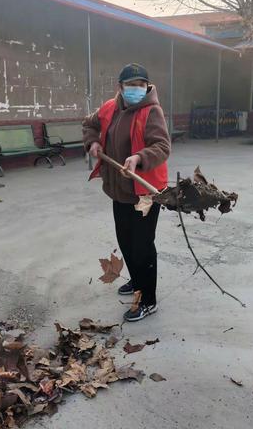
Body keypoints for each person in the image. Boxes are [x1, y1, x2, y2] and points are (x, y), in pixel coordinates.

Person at [83, 63, 171, 322]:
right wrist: (94, 141)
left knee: (142, 247)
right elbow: (89, 125)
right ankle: (136, 280)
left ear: (147, 86)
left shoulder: (151, 111)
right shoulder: (110, 107)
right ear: (120, 87)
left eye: (141, 85)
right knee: (125, 241)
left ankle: (148, 300)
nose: (136, 89)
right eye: (131, 85)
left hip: (145, 192)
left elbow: (162, 146)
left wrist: (139, 158)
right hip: (119, 190)